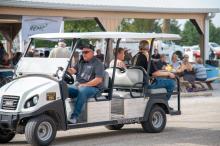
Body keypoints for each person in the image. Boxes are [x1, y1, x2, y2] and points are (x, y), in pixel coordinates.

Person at [67, 44, 104, 124]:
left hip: (94, 88)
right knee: (63, 88)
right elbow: (73, 70)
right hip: (79, 86)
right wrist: (65, 69)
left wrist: (85, 85)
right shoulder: (81, 62)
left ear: (92, 52)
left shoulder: (98, 63)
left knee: (82, 90)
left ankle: (75, 117)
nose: (83, 54)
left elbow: (98, 80)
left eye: (86, 52)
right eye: (82, 52)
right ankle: (61, 114)